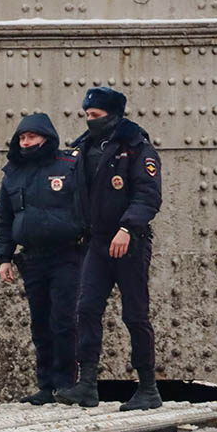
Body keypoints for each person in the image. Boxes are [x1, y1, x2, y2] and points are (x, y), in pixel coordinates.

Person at [55, 88, 163, 410]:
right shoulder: (84, 149)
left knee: (135, 314)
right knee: (86, 309)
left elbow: (147, 195)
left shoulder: (137, 149)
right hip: (98, 243)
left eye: (96, 116)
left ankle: (148, 388)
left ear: (113, 115)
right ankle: (87, 384)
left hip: (129, 243)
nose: (90, 121)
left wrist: (127, 227)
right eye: (87, 116)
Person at [0, 113, 84, 405]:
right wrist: (4, 258)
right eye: (22, 137)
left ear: (46, 137)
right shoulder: (13, 174)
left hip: (67, 255)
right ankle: (46, 385)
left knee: (64, 320)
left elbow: (88, 204)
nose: (26, 142)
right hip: (32, 259)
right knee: (40, 323)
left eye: (32, 137)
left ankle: (67, 383)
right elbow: (3, 219)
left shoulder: (69, 166)